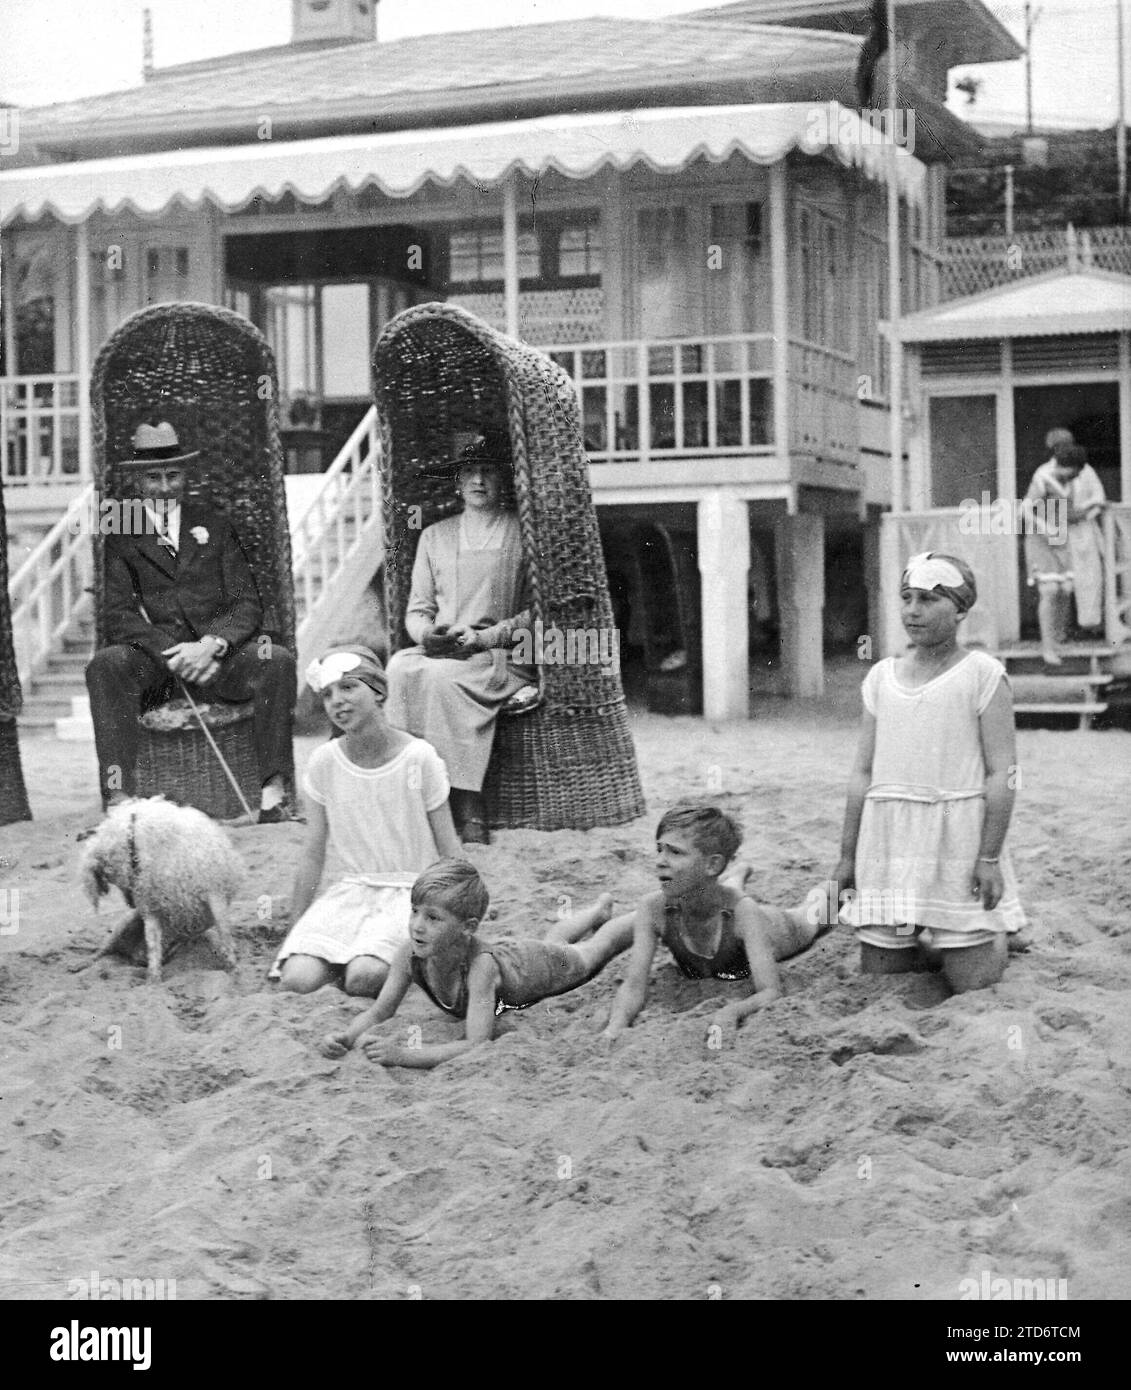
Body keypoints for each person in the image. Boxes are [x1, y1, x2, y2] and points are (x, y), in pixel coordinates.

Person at [834, 552, 1026, 993]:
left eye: (927, 600)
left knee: (971, 982)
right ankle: (931, 936)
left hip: (955, 837)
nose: (912, 611)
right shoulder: (882, 678)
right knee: (882, 973)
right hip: (890, 839)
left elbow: (1002, 773)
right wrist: (847, 858)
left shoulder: (982, 673)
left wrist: (989, 858)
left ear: (959, 609)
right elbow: (862, 773)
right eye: (906, 598)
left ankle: (992, 934)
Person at [85, 421, 296, 821]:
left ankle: (273, 792)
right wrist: (171, 652)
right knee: (105, 665)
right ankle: (118, 799)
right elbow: (118, 612)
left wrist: (212, 645)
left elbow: (246, 603)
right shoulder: (121, 530)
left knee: (277, 660)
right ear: (136, 480)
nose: (164, 487)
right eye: (153, 477)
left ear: (186, 475)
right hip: (157, 664)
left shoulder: (213, 525)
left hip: (218, 659)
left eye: (173, 475)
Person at [271, 646, 462, 997]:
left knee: (365, 977)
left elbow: (450, 849)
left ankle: (376, 961)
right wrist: (295, 929)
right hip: (353, 890)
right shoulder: (323, 763)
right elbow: (313, 853)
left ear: (378, 692)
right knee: (296, 979)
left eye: (348, 688)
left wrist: (456, 923)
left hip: (411, 894)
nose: (337, 702)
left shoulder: (418, 758)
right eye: (327, 694)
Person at [317, 859, 631, 1068]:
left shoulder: (480, 969)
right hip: (513, 955)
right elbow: (379, 1011)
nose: (417, 926)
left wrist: (404, 1056)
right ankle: (596, 912)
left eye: (433, 918)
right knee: (554, 940)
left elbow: (477, 1043)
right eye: (415, 911)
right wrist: (345, 1037)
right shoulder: (409, 954)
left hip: (534, 964)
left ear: (467, 928)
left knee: (592, 951)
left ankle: (636, 916)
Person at [385, 433, 537, 845]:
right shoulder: (434, 536)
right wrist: (427, 634)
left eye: (488, 471)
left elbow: (538, 612)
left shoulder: (522, 533)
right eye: (469, 471)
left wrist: (485, 637)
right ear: (457, 482)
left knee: (439, 681)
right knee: (399, 667)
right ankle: (411, 793)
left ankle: (466, 804)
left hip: (500, 654)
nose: (479, 480)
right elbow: (417, 610)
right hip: (446, 650)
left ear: (503, 479)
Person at [601, 804, 827, 1044]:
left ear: (712, 865)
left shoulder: (744, 913)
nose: (660, 861)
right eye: (659, 849)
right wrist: (615, 1026)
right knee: (720, 893)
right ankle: (737, 876)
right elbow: (633, 986)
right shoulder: (652, 908)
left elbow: (771, 991)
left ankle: (826, 887)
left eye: (675, 852)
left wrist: (731, 1012)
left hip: (777, 926)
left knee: (813, 913)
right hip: (718, 899)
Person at [1024, 430, 1106, 665]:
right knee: (1049, 590)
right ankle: (1047, 647)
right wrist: (1045, 527)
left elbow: (1078, 506)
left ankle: (1059, 637)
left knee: (1066, 588)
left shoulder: (1072, 478)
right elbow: (1025, 510)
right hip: (1041, 539)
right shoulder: (1043, 477)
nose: (1073, 477)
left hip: (1062, 539)